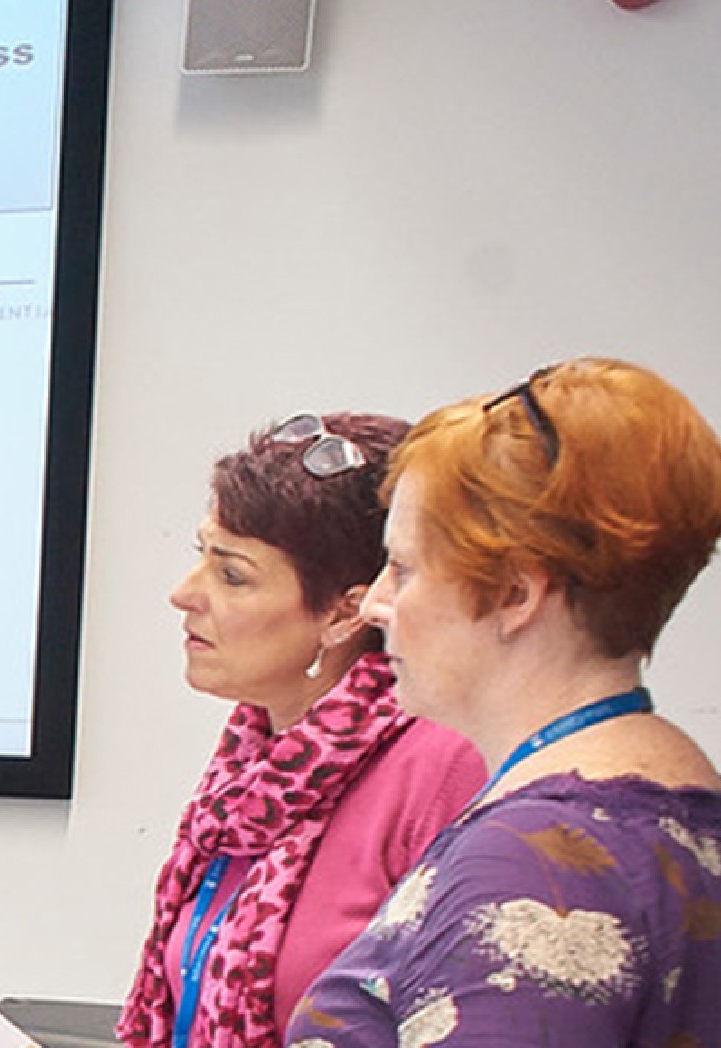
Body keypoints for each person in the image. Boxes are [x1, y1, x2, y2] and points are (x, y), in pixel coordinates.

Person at [286, 358, 721, 1048]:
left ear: (516, 595)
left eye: (403, 568)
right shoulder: (688, 810)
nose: (374, 603)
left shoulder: (535, 861)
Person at [120, 413, 487, 1048]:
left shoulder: (443, 768)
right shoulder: (251, 765)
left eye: (232, 574)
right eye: (200, 558)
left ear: (347, 611)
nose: (184, 594)